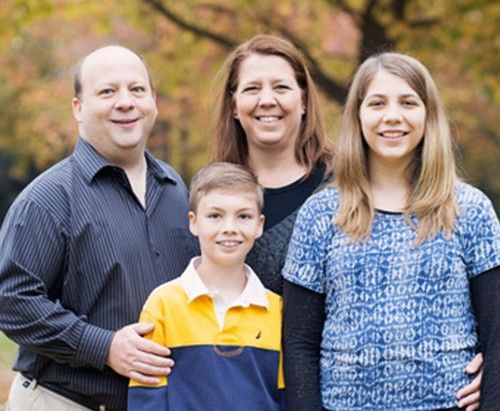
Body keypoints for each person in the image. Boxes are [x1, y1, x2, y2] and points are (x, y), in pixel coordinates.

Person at [212, 35, 483, 409]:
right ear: (233, 104)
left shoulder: (348, 187)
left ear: (305, 101)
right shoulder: (215, 197)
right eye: (252, 88)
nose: (267, 99)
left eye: (281, 87)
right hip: (240, 385)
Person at [282, 52, 500, 410]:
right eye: (377, 103)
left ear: (428, 115)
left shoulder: (469, 209)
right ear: (358, 115)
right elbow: (298, 343)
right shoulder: (321, 214)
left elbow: (496, 332)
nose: (393, 116)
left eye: (408, 103)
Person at [0, 45, 197, 411]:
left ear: (153, 101)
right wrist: (103, 347)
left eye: (137, 90)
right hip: (62, 402)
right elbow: (11, 301)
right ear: (78, 108)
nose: (125, 102)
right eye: (107, 92)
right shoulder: (47, 199)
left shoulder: (174, 188)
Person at [128, 162, 286, 410]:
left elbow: (285, 398)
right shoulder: (164, 304)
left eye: (243, 216)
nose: (229, 229)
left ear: (259, 225)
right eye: (215, 216)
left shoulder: (277, 310)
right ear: (193, 222)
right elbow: (147, 398)